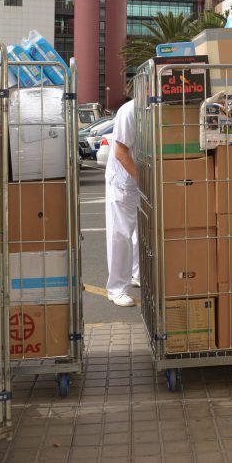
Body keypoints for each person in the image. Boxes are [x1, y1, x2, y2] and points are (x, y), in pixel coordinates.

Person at [105, 96, 141, 307]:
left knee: (140, 233)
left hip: (139, 179)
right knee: (121, 234)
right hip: (124, 181)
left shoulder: (156, 108)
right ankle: (116, 288)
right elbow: (120, 152)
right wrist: (142, 179)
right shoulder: (129, 111)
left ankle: (136, 274)